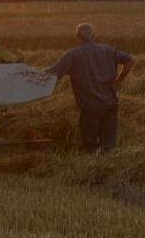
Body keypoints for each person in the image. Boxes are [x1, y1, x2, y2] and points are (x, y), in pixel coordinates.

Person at [45, 23, 133, 152]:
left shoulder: (72, 56)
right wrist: (118, 80)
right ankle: (106, 165)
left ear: (77, 37)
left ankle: (93, 165)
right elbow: (129, 61)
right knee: (108, 145)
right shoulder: (108, 50)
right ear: (94, 35)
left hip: (90, 106)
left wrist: (28, 74)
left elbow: (52, 73)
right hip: (110, 103)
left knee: (89, 146)